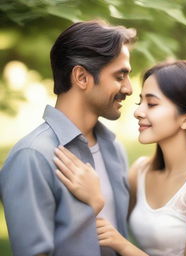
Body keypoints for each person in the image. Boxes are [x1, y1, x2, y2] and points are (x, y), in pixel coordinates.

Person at [53, 60, 186, 256]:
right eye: (139, 102)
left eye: (151, 104)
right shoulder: (141, 171)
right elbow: (110, 224)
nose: (138, 112)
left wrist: (124, 246)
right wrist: (94, 201)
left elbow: (115, 237)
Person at [0, 20, 136, 256]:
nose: (129, 88)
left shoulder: (114, 149)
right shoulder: (32, 157)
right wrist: (91, 207)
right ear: (81, 77)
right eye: (120, 76)